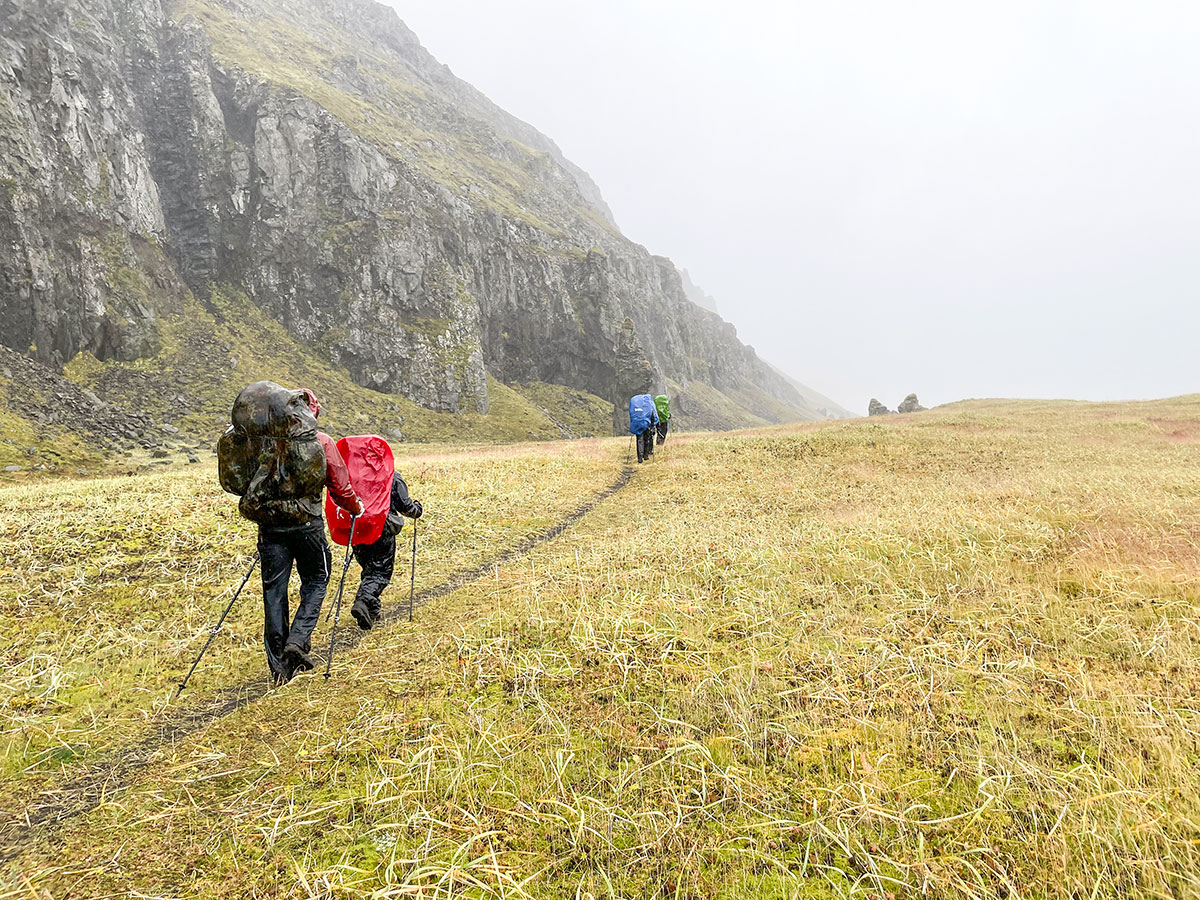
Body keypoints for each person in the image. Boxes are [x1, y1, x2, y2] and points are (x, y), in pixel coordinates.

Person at [257, 389, 362, 681]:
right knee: (316, 578)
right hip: (307, 525)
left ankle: (280, 668)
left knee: (274, 592)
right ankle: (298, 640)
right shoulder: (322, 442)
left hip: (270, 527)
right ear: (311, 413)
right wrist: (355, 507)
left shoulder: (266, 441)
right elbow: (340, 487)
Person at [350, 471, 424, 630]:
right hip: (381, 529)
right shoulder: (391, 475)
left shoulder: (355, 473)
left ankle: (371, 611)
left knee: (369, 568)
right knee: (380, 572)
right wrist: (418, 509)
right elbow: (406, 507)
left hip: (357, 528)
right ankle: (364, 600)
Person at [629, 393, 659, 463]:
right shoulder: (649, 404)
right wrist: (652, 425)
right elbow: (652, 415)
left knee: (639, 440)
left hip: (637, 424)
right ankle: (645, 456)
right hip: (647, 424)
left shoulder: (635, 404)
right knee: (646, 440)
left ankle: (639, 458)